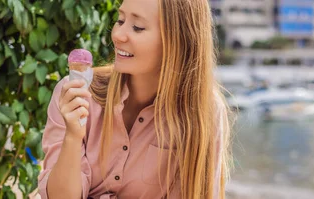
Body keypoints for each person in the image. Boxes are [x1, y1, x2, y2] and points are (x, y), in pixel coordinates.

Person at [37, 0, 233, 198]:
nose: (117, 35)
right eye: (120, 20)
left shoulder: (202, 112)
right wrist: (73, 135)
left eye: (137, 27)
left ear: (178, 40)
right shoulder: (74, 94)